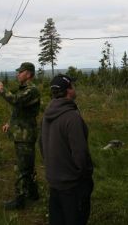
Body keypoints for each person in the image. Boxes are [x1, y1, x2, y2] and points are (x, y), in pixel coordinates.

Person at [41, 74, 94, 225]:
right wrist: (82, 176)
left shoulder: (47, 114)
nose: (74, 88)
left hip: (54, 181)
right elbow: (80, 153)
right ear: (68, 90)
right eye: (73, 86)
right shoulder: (72, 117)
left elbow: (42, 145)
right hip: (72, 185)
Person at [0, 62, 41, 210]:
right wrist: (10, 123)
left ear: (28, 74)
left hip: (25, 136)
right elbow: (19, 109)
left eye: (20, 72)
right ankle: (33, 194)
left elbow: (16, 100)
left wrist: (2, 91)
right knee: (26, 165)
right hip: (21, 134)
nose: (18, 74)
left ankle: (19, 200)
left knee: (22, 168)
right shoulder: (25, 90)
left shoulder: (32, 90)